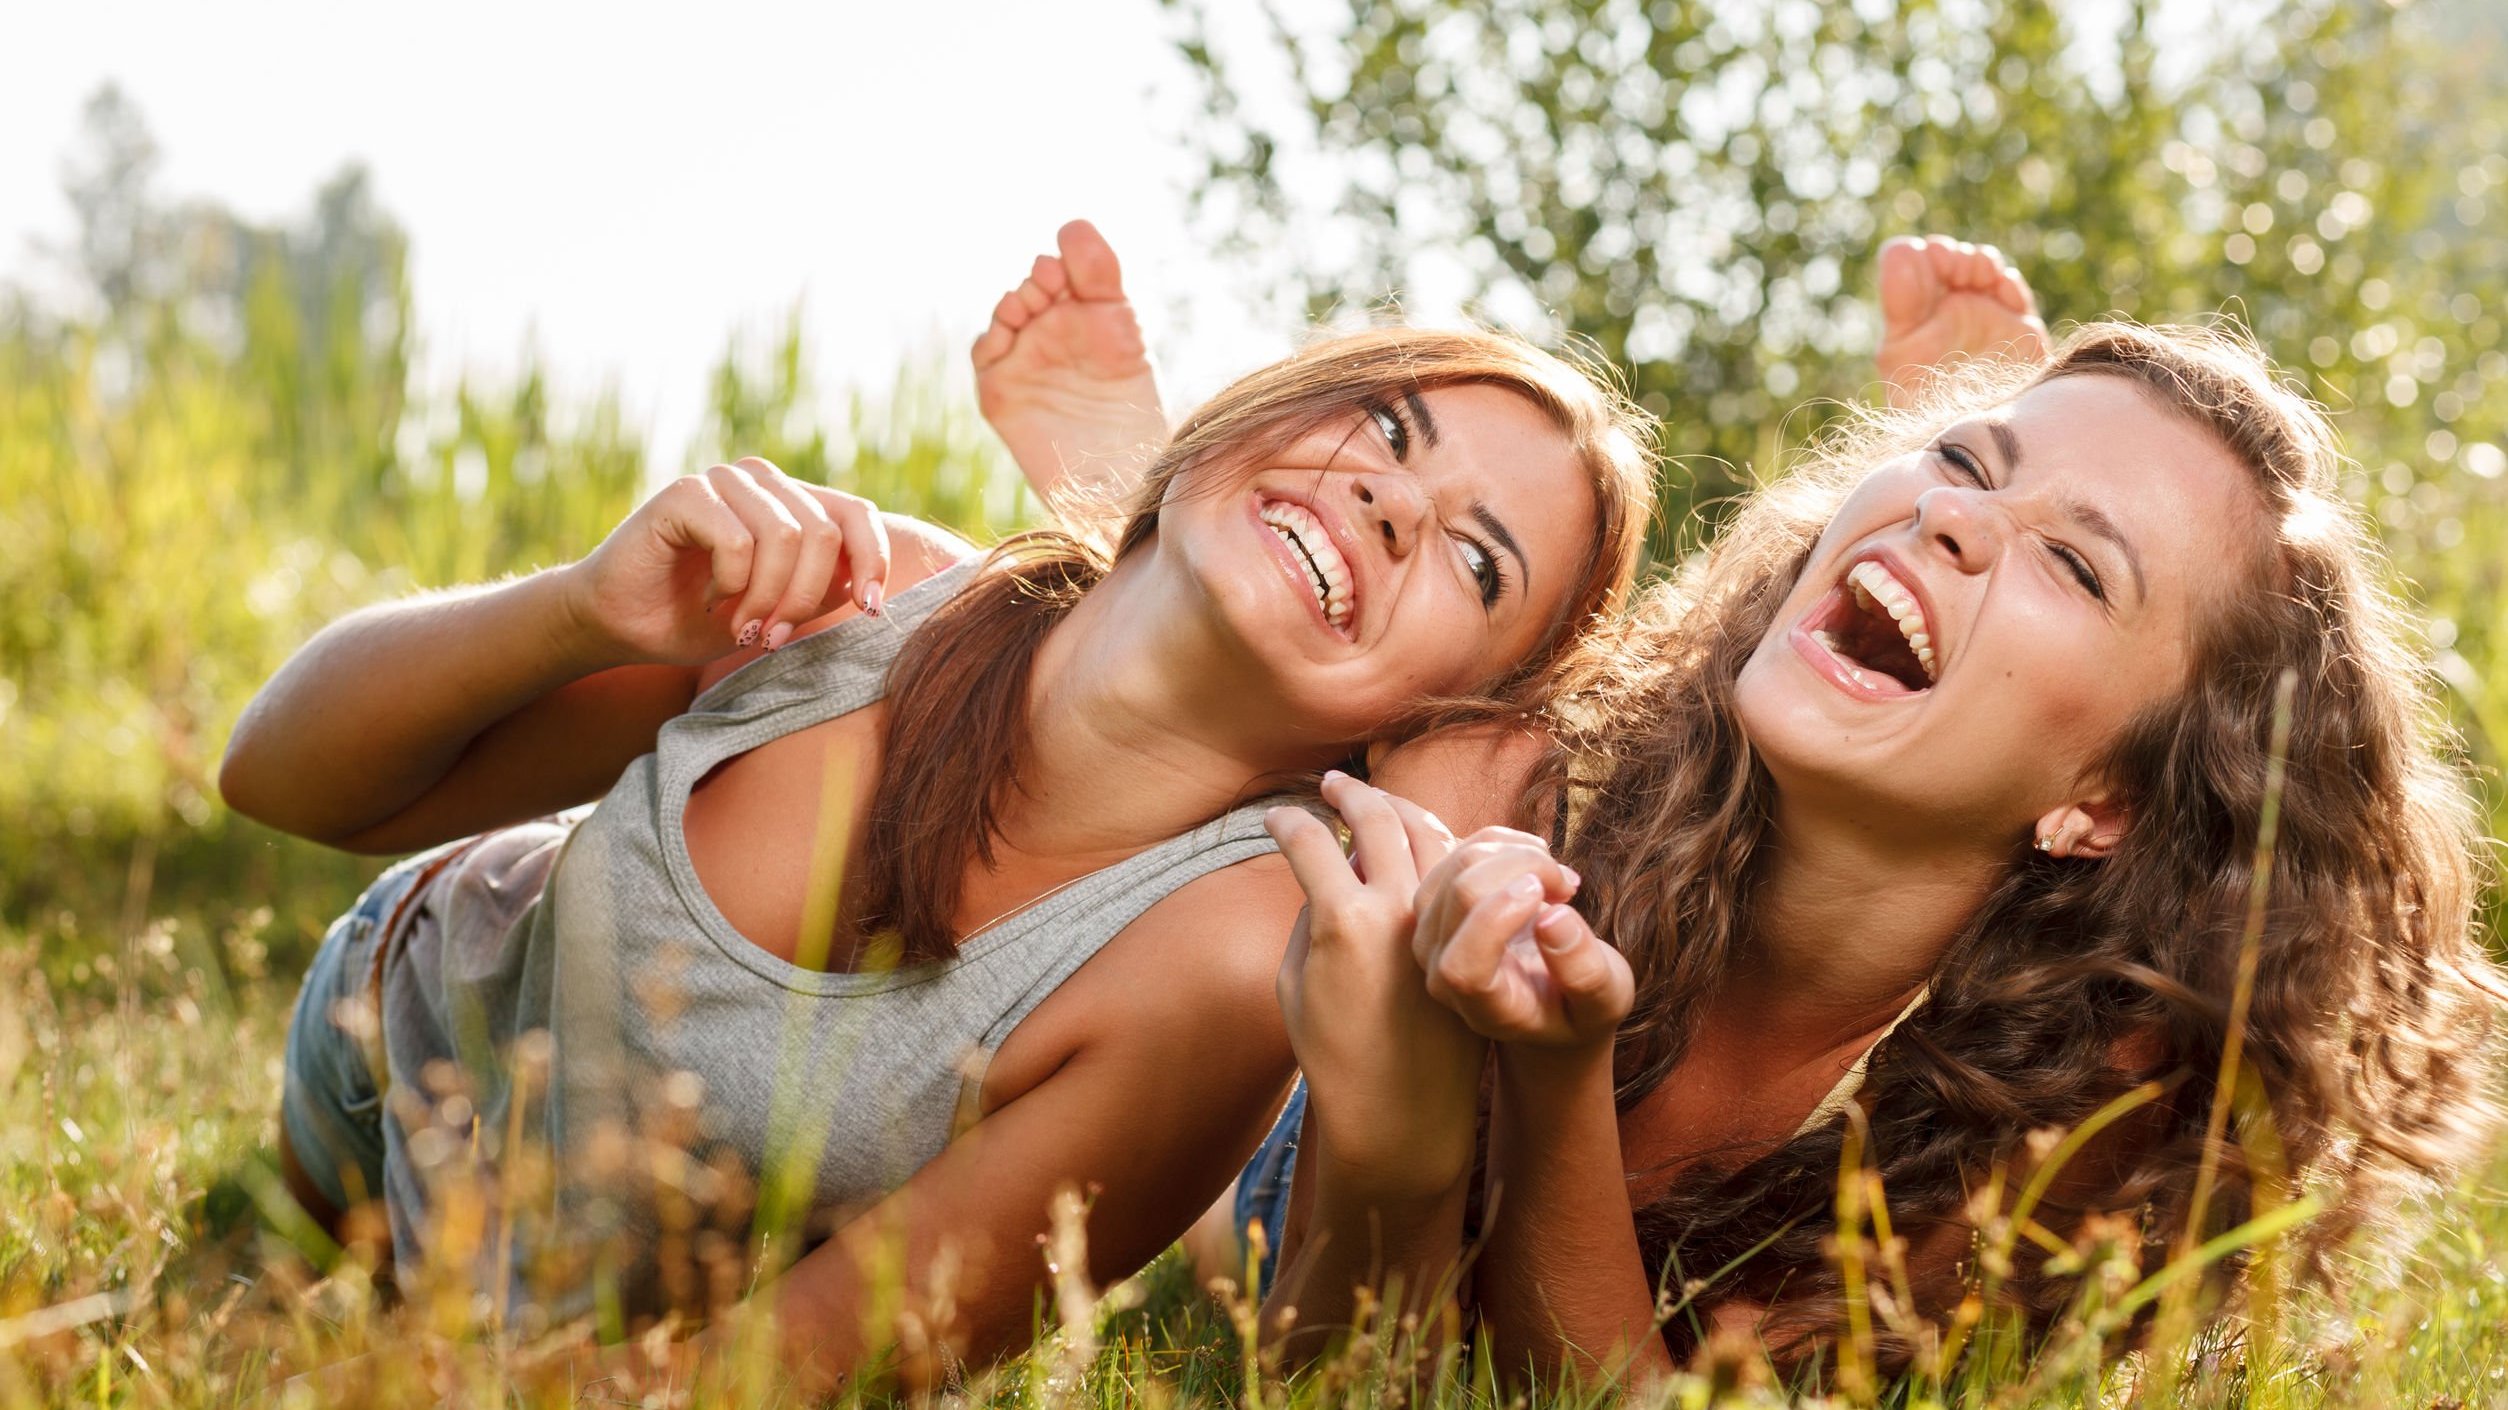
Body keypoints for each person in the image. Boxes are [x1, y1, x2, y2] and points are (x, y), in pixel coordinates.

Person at [222, 224, 1659, 1391]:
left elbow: (747, 1382)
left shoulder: (1221, 965)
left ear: (1432, 717)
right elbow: (279, 780)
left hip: (590, 1318)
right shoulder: (876, 591)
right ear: (1252, 421)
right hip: (387, 1046)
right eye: (1388, 427)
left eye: (1478, 563)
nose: (1399, 505)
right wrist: (581, 609)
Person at [1253, 253, 2506, 1381]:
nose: (1948, 509)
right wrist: (1405, 1118)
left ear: (2104, 803)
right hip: (1276, 1137)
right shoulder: (1509, 782)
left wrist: (1554, 1069)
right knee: (1226, 950)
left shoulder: (2075, 1117)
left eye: (2076, 565)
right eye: (1959, 458)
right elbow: (1324, 1355)